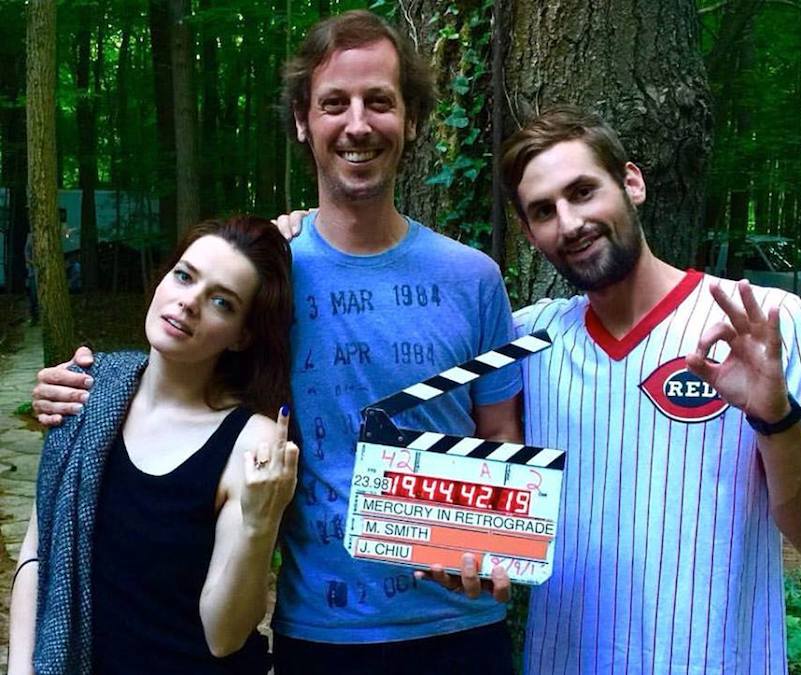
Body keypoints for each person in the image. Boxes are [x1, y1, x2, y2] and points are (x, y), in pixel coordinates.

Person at [31, 10, 521, 675]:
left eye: (380, 101)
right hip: (320, 636)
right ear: (301, 121)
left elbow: (500, 439)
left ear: (411, 121)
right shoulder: (263, 277)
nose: (357, 124)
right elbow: (184, 361)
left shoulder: (474, 279)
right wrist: (89, 386)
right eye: (333, 103)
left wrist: (493, 544)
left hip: (461, 629)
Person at [499, 106, 801, 674]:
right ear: (528, 232)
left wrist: (775, 417)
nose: (569, 223)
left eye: (583, 192)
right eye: (544, 211)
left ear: (631, 183)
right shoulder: (523, 342)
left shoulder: (762, 322)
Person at [10, 216, 298, 674]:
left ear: (242, 335)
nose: (189, 302)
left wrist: (258, 526)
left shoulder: (253, 441)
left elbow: (224, 636)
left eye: (221, 302)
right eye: (184, 276)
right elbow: (37, 552)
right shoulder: (86, 394)